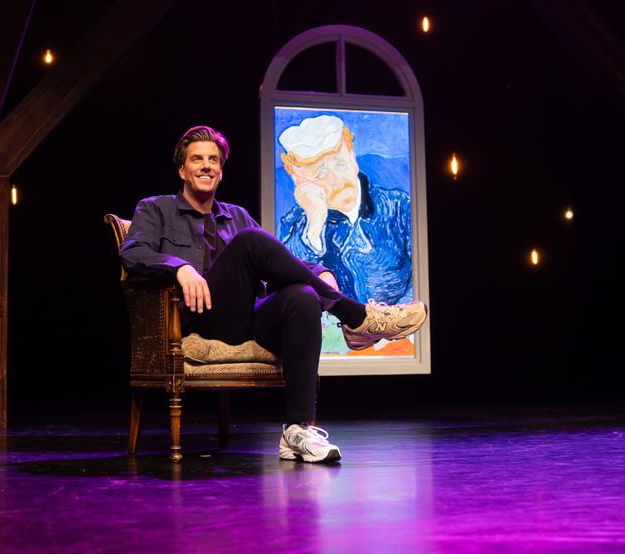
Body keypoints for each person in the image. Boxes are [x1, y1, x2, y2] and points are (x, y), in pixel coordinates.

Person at [119, 125, 427, 463]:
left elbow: (281, 260)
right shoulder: (156, 209)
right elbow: (132, 253)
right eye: (197, 159)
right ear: (182, 169)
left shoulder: (236, 216)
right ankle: (355, 316)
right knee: (250, 241)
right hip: (193, 320)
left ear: (221, 170)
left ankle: (297, 430)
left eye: (213, 160)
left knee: (303, 295)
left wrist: (320, 273)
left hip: (243, 320)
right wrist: (179, 267)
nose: (206, 166)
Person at [279, 114, 412, 306]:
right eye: (321, 174)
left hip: (396, 323)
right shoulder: (295, 225)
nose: (337, 180)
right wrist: (313, 230)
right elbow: (289, 288)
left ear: (352, 158)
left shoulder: (398, 206)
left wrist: (394, 317)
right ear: (300, 181)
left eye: (340, 165)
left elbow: (418, 277)